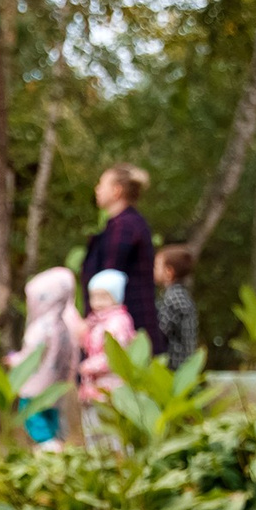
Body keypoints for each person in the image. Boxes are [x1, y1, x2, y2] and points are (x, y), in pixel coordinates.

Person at [80, 164, 161, 353]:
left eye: (102, 184)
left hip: (125, 329)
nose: (97, 189)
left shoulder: (125, 227)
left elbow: (110, 275)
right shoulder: (122, 225)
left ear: (117, 190)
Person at [12, 266, 82, 447]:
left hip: (35, 386)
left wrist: (15, 361)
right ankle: (60, 447)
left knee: (33, 419)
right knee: (52, 418)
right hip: (56, 386)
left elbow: (31, 356)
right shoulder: (64, 324)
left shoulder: (40, 328)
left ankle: (50, 450)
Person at [80, 268, 136, 405]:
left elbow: (116, 353)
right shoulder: (95, 321)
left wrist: (89, 366)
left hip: (112, 385)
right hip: (95, 386)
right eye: (94, 297)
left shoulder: (119, 321)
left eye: (104, 297)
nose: (98, 302)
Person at [155, 242, 199, 366]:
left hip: (174, 363)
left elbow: (161, 329)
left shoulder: (172, 299)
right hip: (185, 362)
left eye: (156, 266)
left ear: (169, 272)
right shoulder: (181, 295)